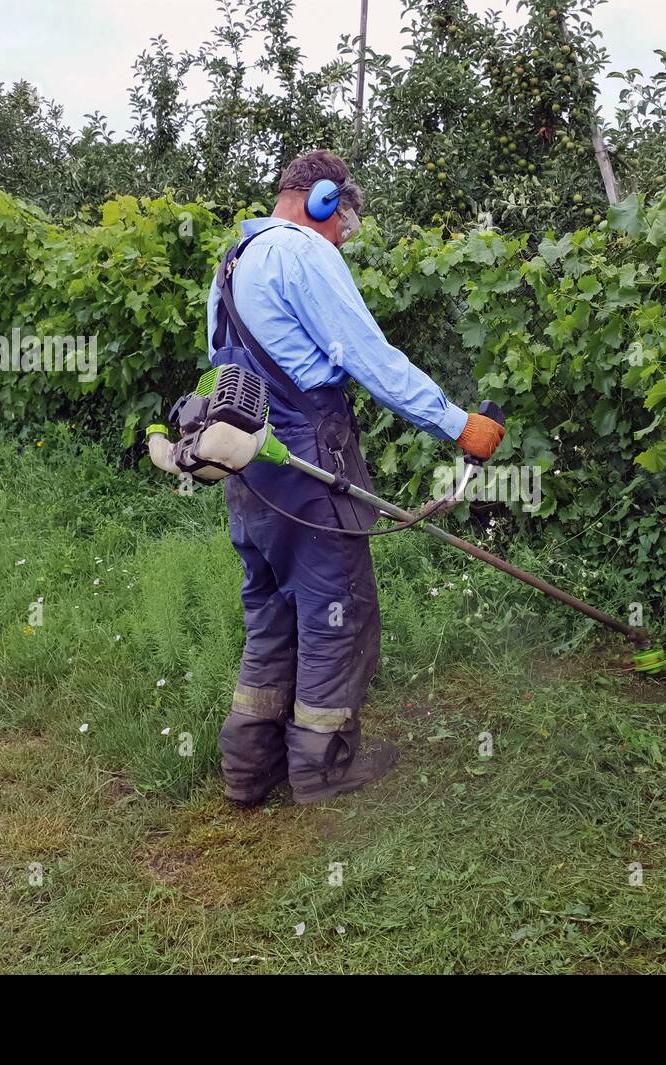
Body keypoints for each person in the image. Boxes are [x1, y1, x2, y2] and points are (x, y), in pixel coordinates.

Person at [206, 150, 504, 806]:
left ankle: (249, 767)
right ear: (318, 200)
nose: (345, 231)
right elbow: (368, 357)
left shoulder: (230, 265)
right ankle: (323, 767)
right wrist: (459, 425)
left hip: (247, 468)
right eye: (345, 216)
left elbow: (223, 371)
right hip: (311, 464)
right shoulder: (305, 255)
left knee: (271, 610)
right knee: (337, 611)